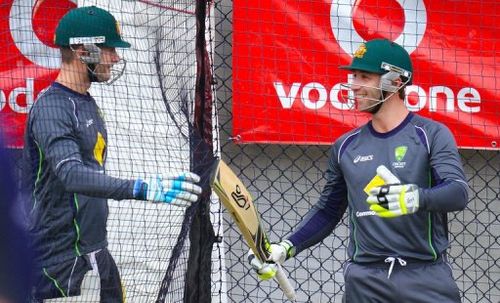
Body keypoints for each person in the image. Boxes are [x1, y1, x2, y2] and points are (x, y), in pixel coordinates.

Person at [248, 39, 469, 302]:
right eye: (353, 76)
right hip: (364, 282)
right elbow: (328, 210)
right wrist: (285, 247)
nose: (353, 85)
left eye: (364, 77)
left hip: (424, 278)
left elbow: (457, 192)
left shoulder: (431, 134)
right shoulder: (346, 146)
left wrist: (413, 198)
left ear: (395, 82)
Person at [23, 6, 202, 302]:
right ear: (83, 50)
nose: (116, 58)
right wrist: (144, 188)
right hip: (63, 262)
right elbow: (72, 175)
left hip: (96, 253)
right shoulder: (52, 108)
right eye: (108, 50)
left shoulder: (86, 102)